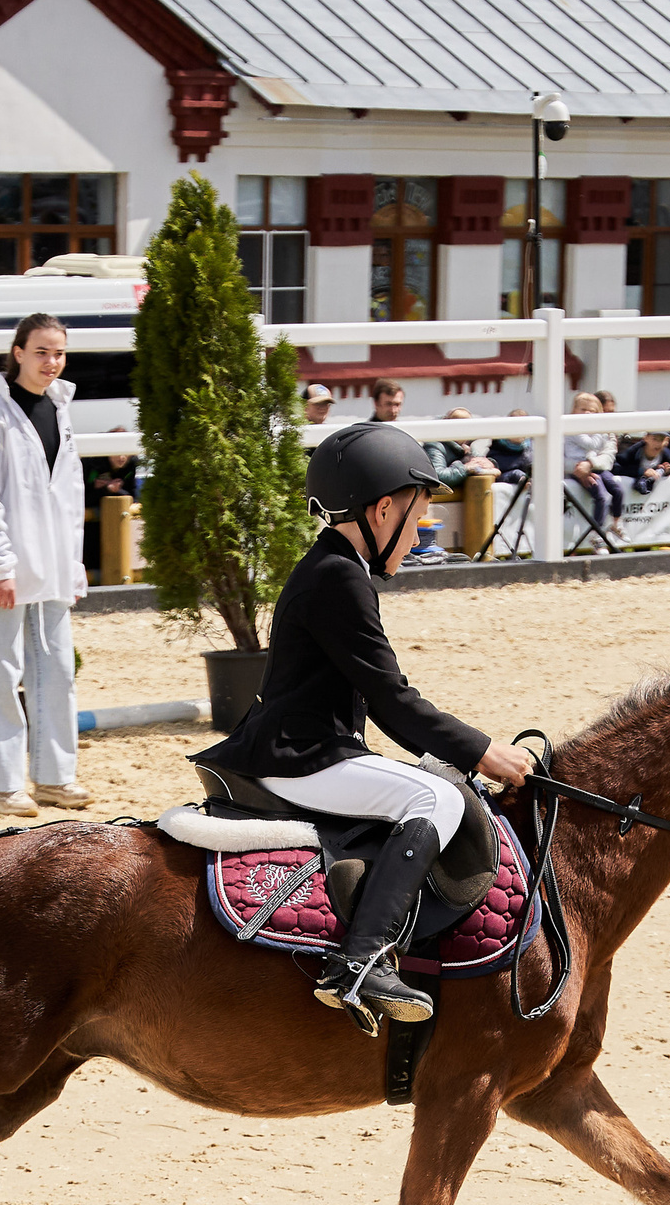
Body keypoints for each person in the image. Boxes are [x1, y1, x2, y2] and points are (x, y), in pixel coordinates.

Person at [189, 422, 533, 1029]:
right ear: (381, 511)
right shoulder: (339, 577)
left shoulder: (335, 566)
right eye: (416, 519)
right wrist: (483, 751)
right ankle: (360, 960)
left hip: (312, 747)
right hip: (301, 756)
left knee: (431, 785)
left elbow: (378, 701)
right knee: (436, 799)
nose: (418, 536)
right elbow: (392, 700)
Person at [0, 311, 93, 819]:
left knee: (57, 670)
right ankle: (6, 785)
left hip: (51, 566)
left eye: (58, 352)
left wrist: (73, 564)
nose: (51, 362)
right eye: (41, 352)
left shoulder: (60, 412)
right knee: (1, 673)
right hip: (4, 571)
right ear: (18, 354)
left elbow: (69, 496)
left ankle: (55, 777)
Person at [562, 392, 626, 531]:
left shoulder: (607, 431)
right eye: (583, 409)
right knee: (601, 496)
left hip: (597, 470)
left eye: (592, 411)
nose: (588, 413)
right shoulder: (570, 428)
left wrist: (590, 464)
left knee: (617, 490)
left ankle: (617, 524)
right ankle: (596, 533)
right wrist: (578, 469)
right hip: (571, 476)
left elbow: (608, 456)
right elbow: (555, 459)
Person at [420, 407, 500, 489]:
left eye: (468, 426)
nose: (464, 430)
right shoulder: (435, 445)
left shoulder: (465, 445)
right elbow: (437, 476)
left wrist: (488, 464)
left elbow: (476, 460)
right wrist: (465, 468)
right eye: (458, 426)